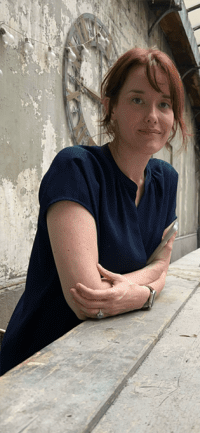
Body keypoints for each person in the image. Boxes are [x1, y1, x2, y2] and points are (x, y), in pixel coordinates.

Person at [0, 48, 188, 376]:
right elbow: (88, 300)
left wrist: (136, 290)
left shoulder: (166, 180)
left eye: (165, 104)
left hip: (105, 361)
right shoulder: (76, 169)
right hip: (37, 365)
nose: (153, 116)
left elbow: (163, 265)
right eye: (137, 100)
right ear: (110, 107)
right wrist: (147, 290)